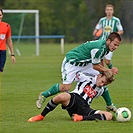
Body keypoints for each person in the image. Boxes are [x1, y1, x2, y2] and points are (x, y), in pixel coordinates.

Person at [36, 32, 121, 112]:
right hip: (72, 62)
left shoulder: (106, 48)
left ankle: (109, 105)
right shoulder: (98, 48)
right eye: (115, 44)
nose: (116, 47)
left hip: (85, 64)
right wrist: (108, 70)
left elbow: (100, 59)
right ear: (108, 41)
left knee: (103, 79)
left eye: (118, 45)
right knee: (66, 88)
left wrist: (104, 72)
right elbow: (95, 66)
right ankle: (44, 95)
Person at [28, 71, 115, 122]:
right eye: (103, 81)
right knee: (61, 97)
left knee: (109, 116)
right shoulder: (86, 77)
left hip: (85, 108)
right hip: (74, 98)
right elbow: (73, 73)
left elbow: (108, 99)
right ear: (100, 75)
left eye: (105, 84)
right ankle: (41, 116)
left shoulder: (102, 89)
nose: (102, 84)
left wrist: (112, 107)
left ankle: (80, 118)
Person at [93, 4, 123, 68]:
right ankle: (103, 74)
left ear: (113, 11)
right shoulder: (102, 20)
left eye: (110, 10)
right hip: (102, 41)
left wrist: (114, 36)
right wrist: (95, 33)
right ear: (105, 11)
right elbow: (97, 29)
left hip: (111, 43)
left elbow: (121, 30)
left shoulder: (116, 20)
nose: (109, 11)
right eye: (107, 10)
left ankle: (111, 70)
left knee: (107, 61)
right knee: (100, 59)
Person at [0, 8, 16, 73]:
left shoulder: (6, 26)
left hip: (2, 52)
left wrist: (12, 54)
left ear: (2, 16)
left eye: (0, 15)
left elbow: (9, 40)